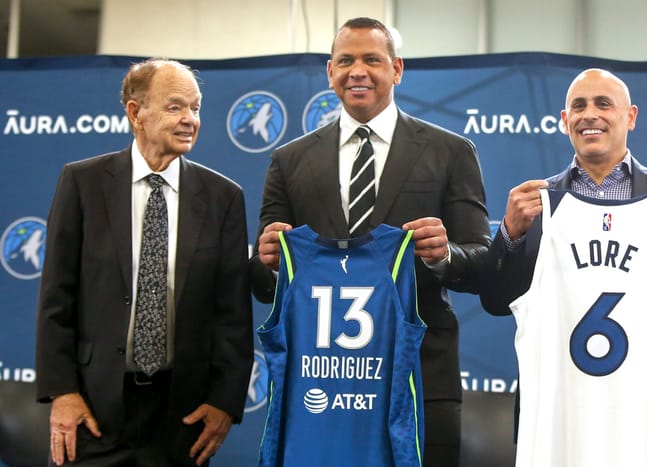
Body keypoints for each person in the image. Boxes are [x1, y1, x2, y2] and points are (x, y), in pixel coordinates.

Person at [250, 17, 491, 466]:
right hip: (320, 384)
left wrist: (446, 255)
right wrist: (264, 261)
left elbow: (481, 263)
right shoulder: (288, 161)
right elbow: (268, 284)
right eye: (345, 60)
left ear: (396, 69)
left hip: (419, 374)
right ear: (329, 71)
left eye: (372, 60)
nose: (357, 71)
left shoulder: (451, 151)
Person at [479, 68, 647, 466]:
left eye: (604, 104)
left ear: (630, 116)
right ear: (564, 120)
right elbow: (497, 301)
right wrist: (510, 237)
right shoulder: (536, 205)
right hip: (558, 415)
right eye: (579, 106)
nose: (591, 114)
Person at [35, 58, 254, 466]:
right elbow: (55, 299)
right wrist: (62, 393)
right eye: (175, 107)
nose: (190, 119)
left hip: (181, 418)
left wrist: (225, 403)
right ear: (136, 112)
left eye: (196, 107)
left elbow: (233, 315)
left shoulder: (223, 198)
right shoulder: (82, 184)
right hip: (92, 410)